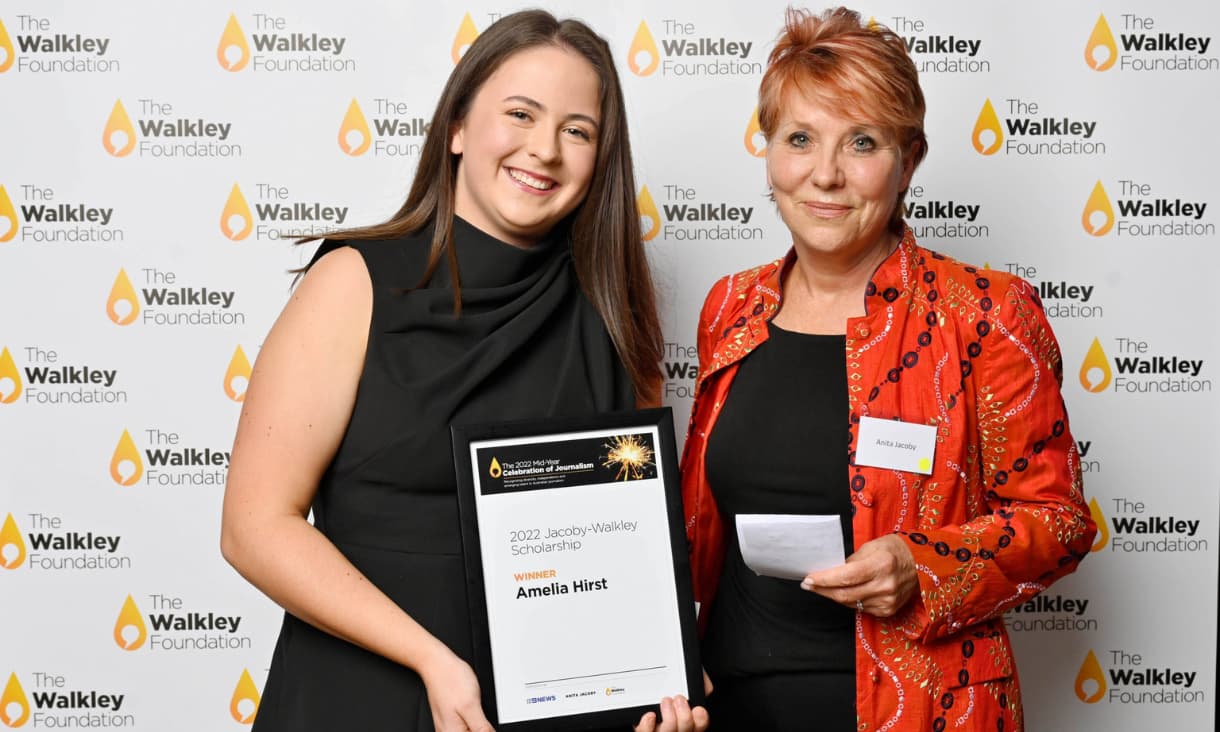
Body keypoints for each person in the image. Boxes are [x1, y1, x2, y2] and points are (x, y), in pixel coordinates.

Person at [221, 11, 705, 732]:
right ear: (456, 127)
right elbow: (254, 527)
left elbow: (629, 554)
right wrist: (431, 661)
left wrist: (664, 684)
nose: (544, 150)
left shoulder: (615, 315)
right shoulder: (354, 281)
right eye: (520, 114)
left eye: (578, 130)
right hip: (362, 701)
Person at [679, 8, 1096, 731]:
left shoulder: (984, 313)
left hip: (921, 710)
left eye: (862, 143)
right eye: (800, 139)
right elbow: (698, 527)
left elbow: (1057, 522)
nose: (826, 175)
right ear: (769, 149)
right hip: (729, 708)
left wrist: (923, 563)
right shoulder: (731, 308)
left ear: (909, 160)